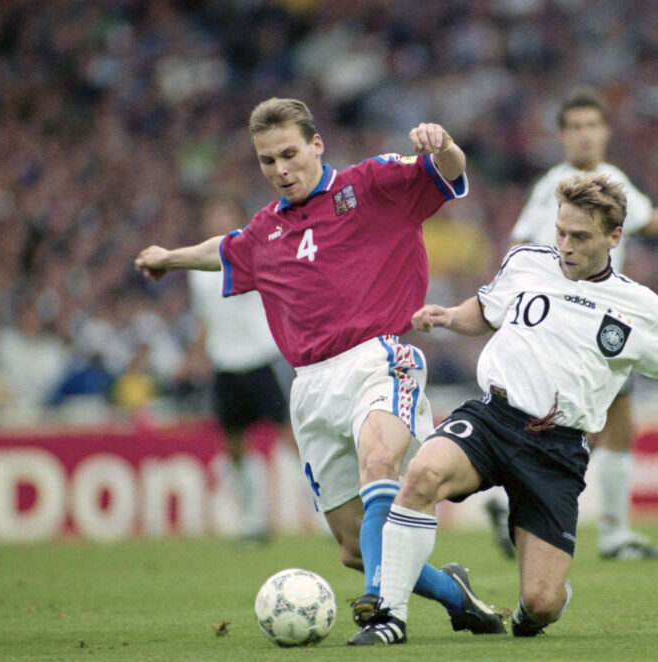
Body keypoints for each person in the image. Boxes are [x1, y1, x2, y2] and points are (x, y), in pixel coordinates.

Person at [135, 98, 504, 636]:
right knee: (356, 549)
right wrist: (170, 257)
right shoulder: (267, 231)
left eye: (289, 154)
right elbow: (226, 248)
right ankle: (454, 594)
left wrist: (443, 144)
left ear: (316, 145)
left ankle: (384, 611)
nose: (280, 170)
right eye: (266, 161)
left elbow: (449, 171)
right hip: (308, 388)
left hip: (377, 359)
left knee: (379, 460)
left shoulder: (372, 183)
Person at [347, 174, 658, 645]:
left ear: (613, 238)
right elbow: (485, 311)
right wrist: (448, 318)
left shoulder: (640, 307)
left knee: (540, 605)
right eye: (560, 231)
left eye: (580, 236)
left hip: (557, 450)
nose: (565, 245)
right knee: (421, 475)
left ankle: (537, 604)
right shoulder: (526, 262)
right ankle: (390, 618)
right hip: (493, 419)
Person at [490, 85, 658, 561]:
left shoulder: (612, 180)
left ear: (605, 131)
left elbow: (647, 221)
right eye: (575, 127)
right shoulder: (554, 188)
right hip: (573, 324)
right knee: (576, 424)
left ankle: (603, 527)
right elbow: (528, 250)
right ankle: (527, 505)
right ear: (562, 135)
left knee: (613, 423)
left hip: (606, 320)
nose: (584, 136)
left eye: (591, 126)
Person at [181, 194, 295, 541]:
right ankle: (252, 520)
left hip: (260, 360)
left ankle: (327, 512)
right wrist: (196, 355)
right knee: (233, 447)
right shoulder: (199, 271)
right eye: (212, 216)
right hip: (225, 366)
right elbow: (204, 317)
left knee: (292, 439)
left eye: (224, 213)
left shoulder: (254, 252)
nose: (217, 221)